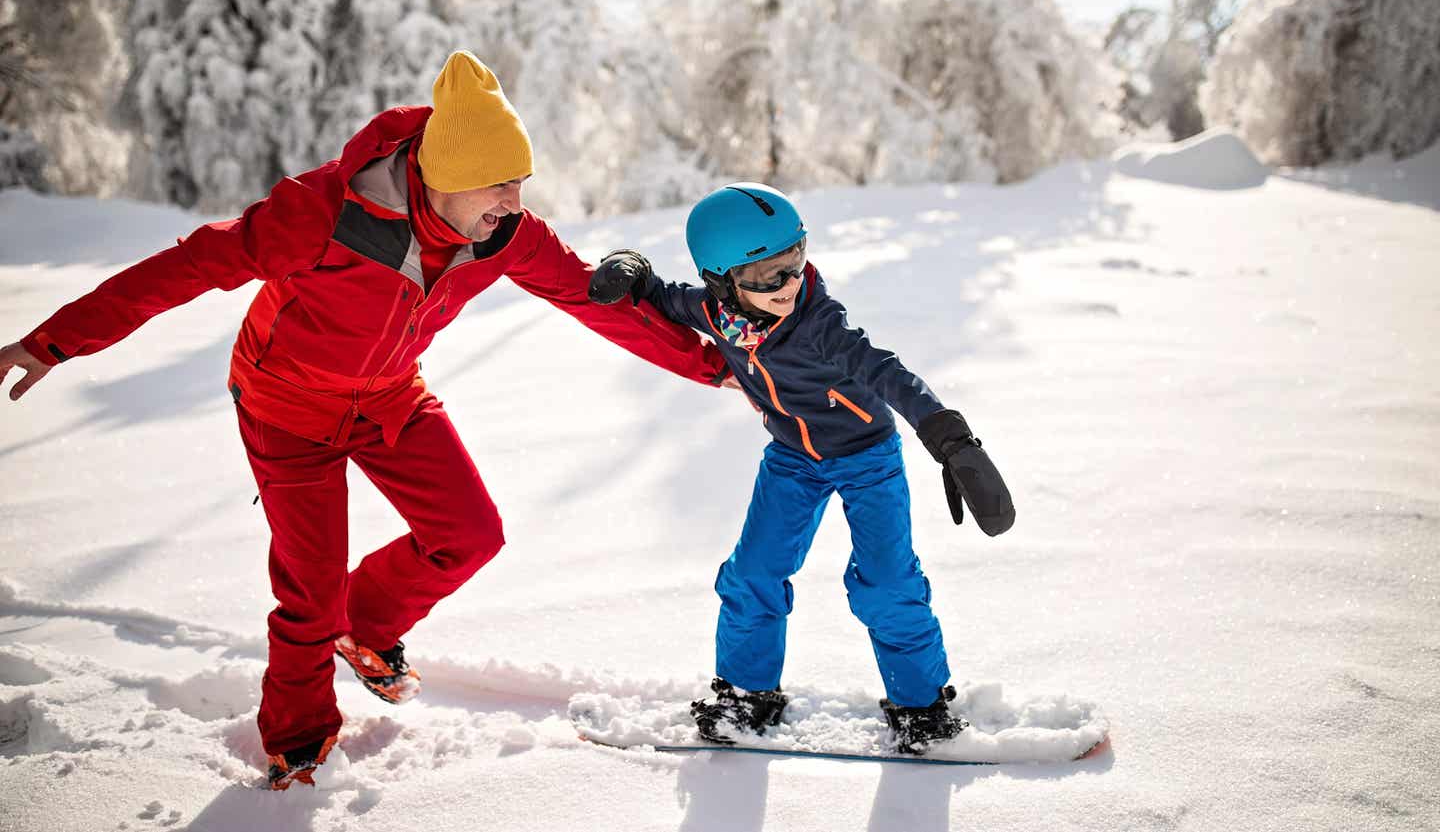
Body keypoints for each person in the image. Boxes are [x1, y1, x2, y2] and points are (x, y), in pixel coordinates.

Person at [0, 51, 731, 789]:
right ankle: (298, 744)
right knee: (307, 589)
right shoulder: (322, 213)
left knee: (470, 533)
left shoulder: (506, 234)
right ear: (446, 173)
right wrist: (54, 341)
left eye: (520, 183)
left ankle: (365, 625)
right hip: (286, 407)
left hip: (388, 396)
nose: (515, 201)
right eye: (500, 183)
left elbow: (592, 298)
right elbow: (184, 267)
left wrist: (716, 367)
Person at [587, 182, 1015, 754]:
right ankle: (748, 694)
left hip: (868, 459)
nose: (788, 285)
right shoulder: (717, 310)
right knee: (752, 575)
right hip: (792, 459)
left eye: (795, 261)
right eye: (766, 276)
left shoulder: (819, 322)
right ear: (723, 281)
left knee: (886, 584)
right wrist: (633, 270)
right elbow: (666, 298)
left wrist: (949, 435)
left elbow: (886, 371)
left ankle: (922, 706)